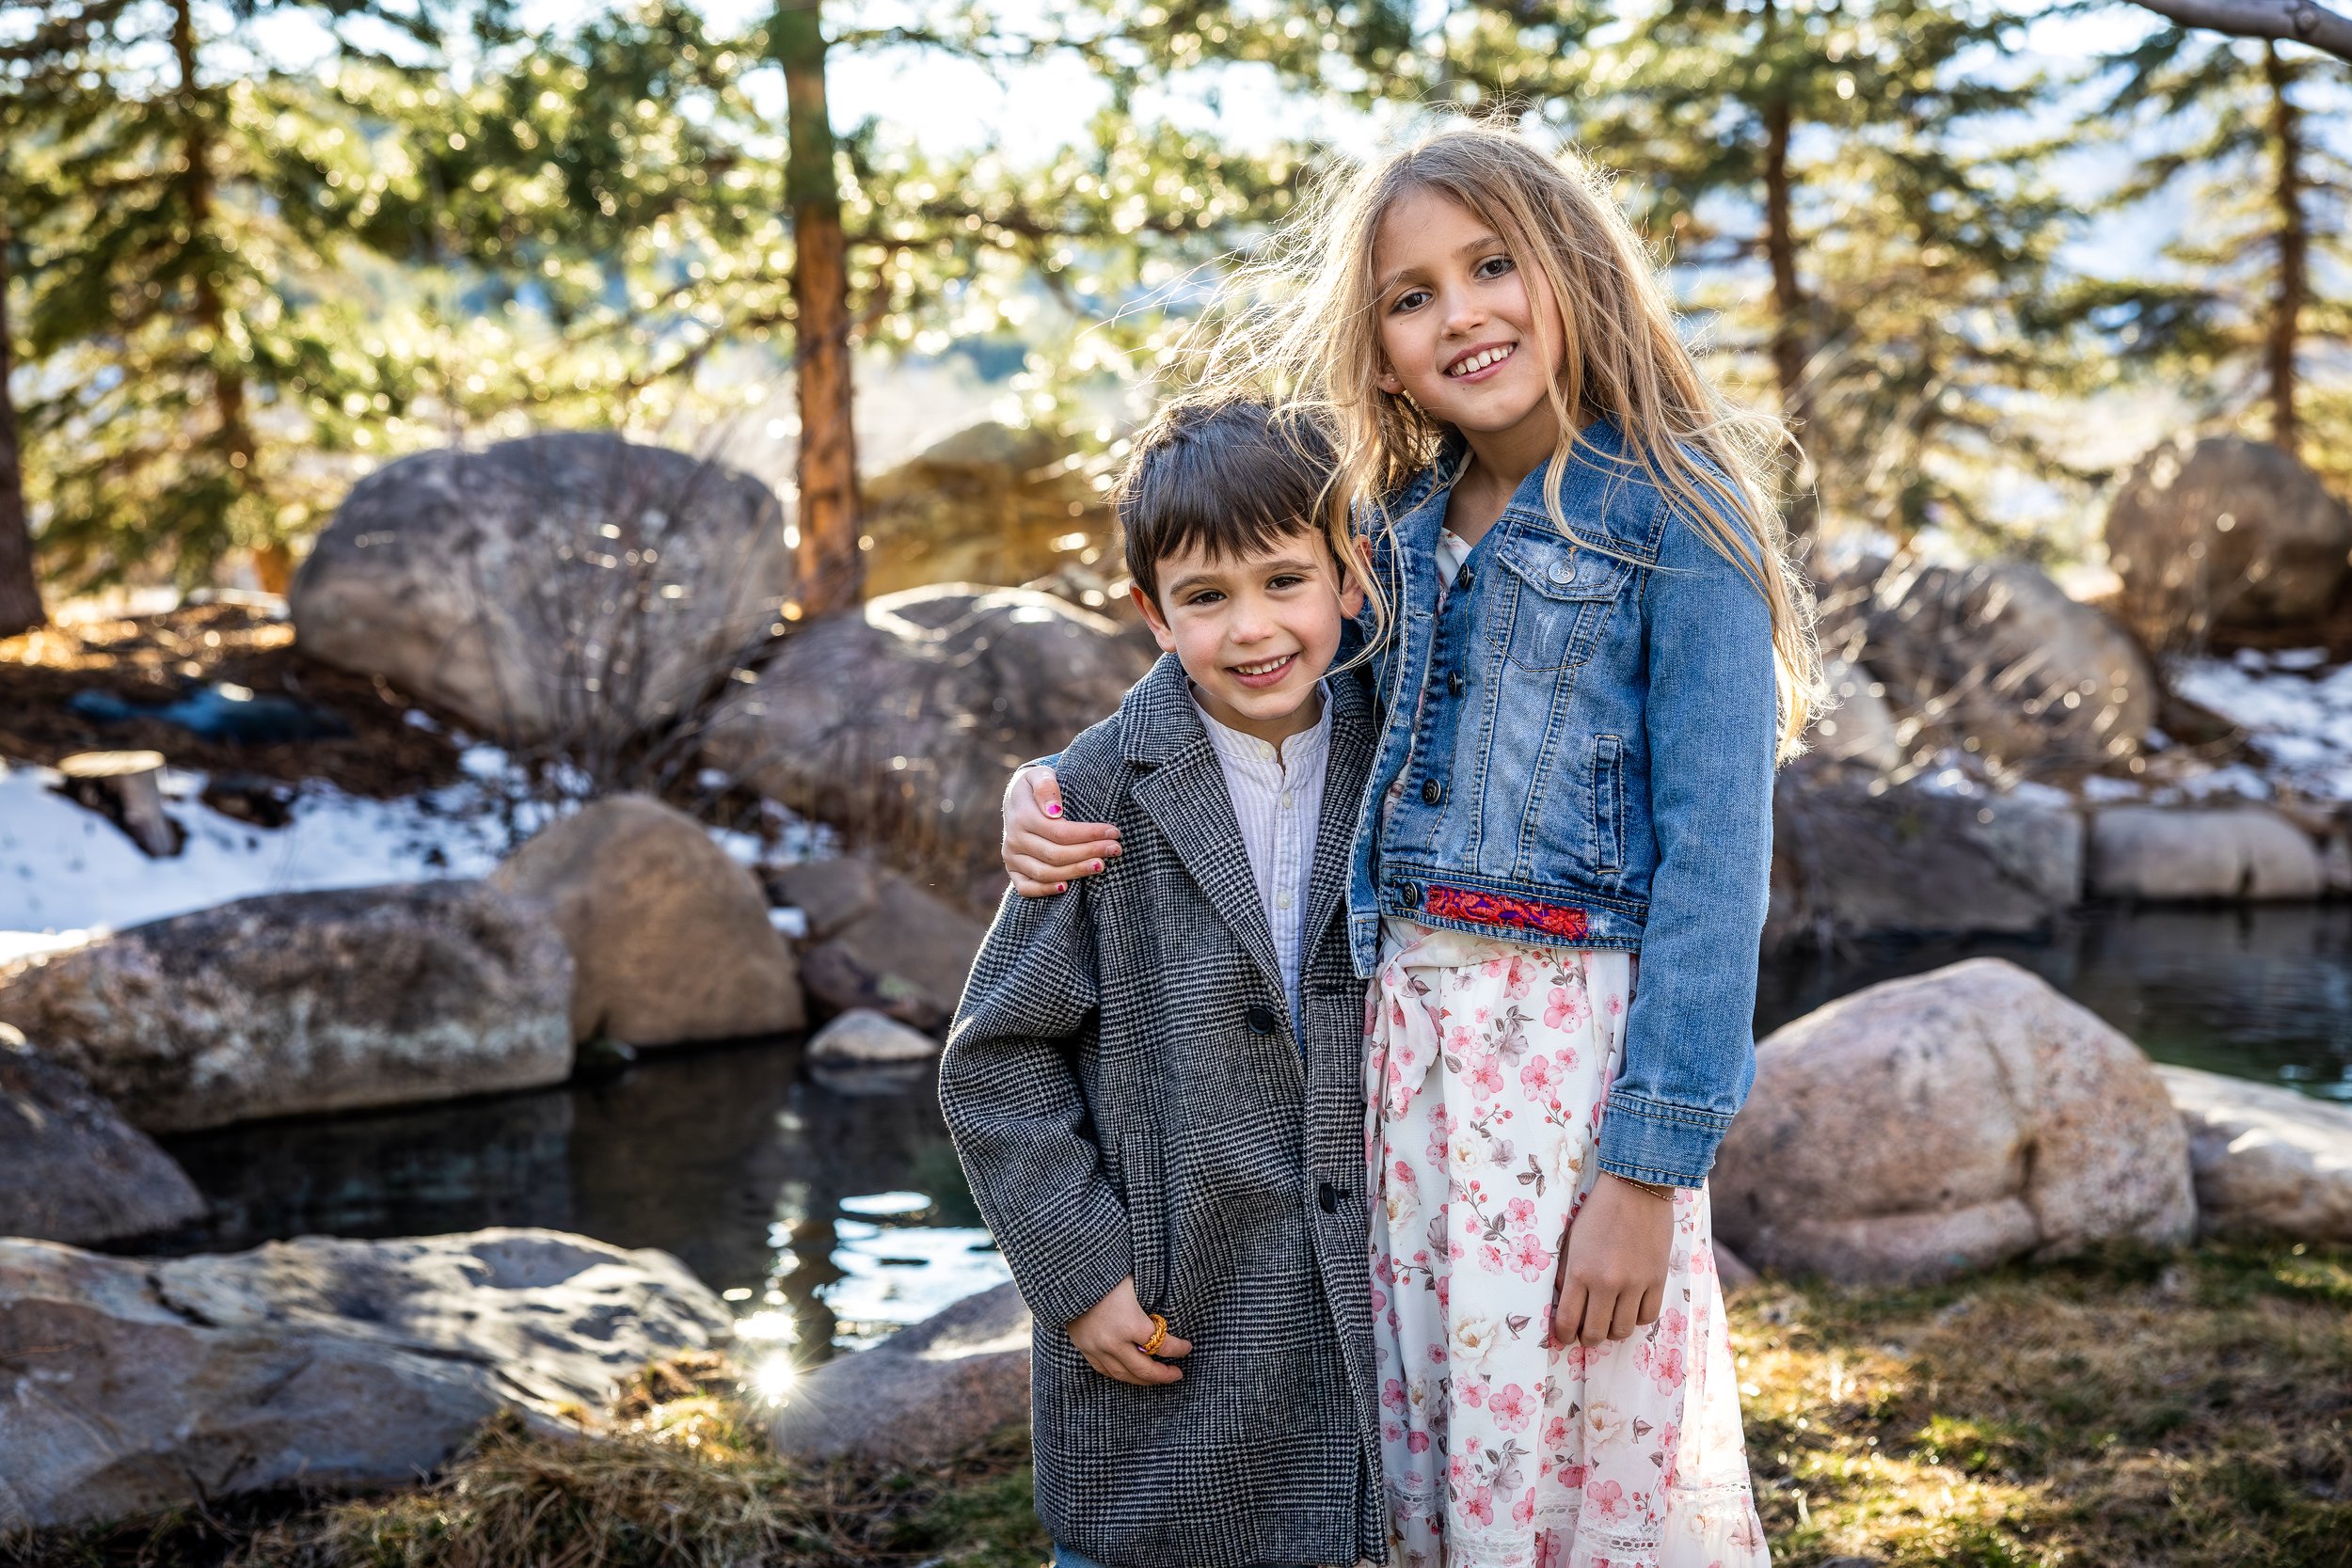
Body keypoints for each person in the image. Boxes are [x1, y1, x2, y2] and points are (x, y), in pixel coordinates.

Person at [999, 122, 1821, 1568]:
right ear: (1377, 346)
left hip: (1563, 1074)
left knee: (1573, 1461)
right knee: (1433, 1461)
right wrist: (1055, 781)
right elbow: (1247, 649)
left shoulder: (1685, 519)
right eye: (1412, 294)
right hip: (1398, 1068)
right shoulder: (1393, 521)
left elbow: (1715, 877)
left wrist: (1651, 1167)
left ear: (1573, 266)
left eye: (1492, 265)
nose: (1463, 314)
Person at [941, 396, 1392, 1568]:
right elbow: (997, 1061)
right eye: (1205, 597)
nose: (1252, 628)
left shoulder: (1400, 752)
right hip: (1174, 1309)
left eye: (1284, 581)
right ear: (1152, 612)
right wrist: (1079, 1273)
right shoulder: (1092, 793)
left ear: (1349, 578)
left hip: (1361, 1305)